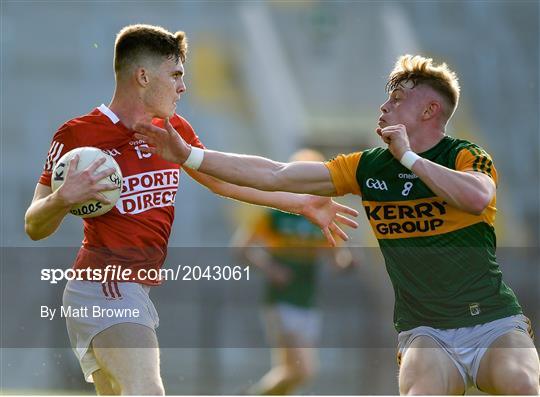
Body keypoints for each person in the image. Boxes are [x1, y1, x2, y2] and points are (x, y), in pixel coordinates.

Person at [133, 54, 540, 395]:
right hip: (426, 330)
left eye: (397, 99)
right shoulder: (367, 166)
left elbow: (475, 198)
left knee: (522, 383)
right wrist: (188, 154)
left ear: (430, 110)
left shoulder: (467, 155)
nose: (383, 107)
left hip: (492, 321)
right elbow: (275, 174)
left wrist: (410, 159)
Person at [24, 24, 359, 395]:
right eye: (176, 75)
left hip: (134, 289)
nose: (183, 87)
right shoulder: (78, 136)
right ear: (143, 76)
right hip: (105, 285)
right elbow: (35, 225)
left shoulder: (172, 129)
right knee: (148, 390)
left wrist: (301, 203)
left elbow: (221, 180)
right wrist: (63, 197)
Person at [233, 149, 356, 395]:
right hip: (282, 298)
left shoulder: (322, 213)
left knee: (292, 373)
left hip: (308, 299)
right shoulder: (276, 212)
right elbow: (242, 249)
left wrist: (348, 263)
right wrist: (271, 268)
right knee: (303, 370)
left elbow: (337, 259)